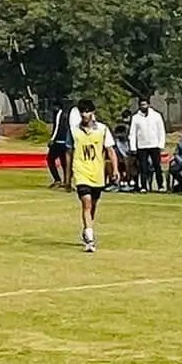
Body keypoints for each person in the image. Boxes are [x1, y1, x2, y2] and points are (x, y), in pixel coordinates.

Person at [70, 97, 119, 251]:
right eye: (82, 112)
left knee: (93, 205)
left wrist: (115, 169)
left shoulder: (102, 130)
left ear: (92, 112)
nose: (84, 115)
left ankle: (87, 229)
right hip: (81, 171)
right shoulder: (74, 130)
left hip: (97, 172)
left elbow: (110, 150)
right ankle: (90, 239)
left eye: (87, 111)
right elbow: (69, 152)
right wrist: (67, 177)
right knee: (86, 202)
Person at [128, 97, 167, 193]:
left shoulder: (156, 115)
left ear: (149, 105)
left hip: (154, 145)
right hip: (141, 145)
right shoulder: (136, 117)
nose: (143, 107)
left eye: (145, 104)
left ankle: (160, 185)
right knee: (143, 167)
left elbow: (161, 131)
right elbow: (132, 133)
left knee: (157, 166)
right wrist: (133, 147)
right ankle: (143, 186)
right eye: (141, 105)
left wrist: (161, 144)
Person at [46, 104, 75, 189]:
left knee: (50, 159)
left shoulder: (59, 114)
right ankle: (66, 181)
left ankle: (57, 180)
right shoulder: (70, 114)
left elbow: (57, 127)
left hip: (59, 141)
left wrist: (52, 139)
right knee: (65, 161)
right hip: (67, 142)